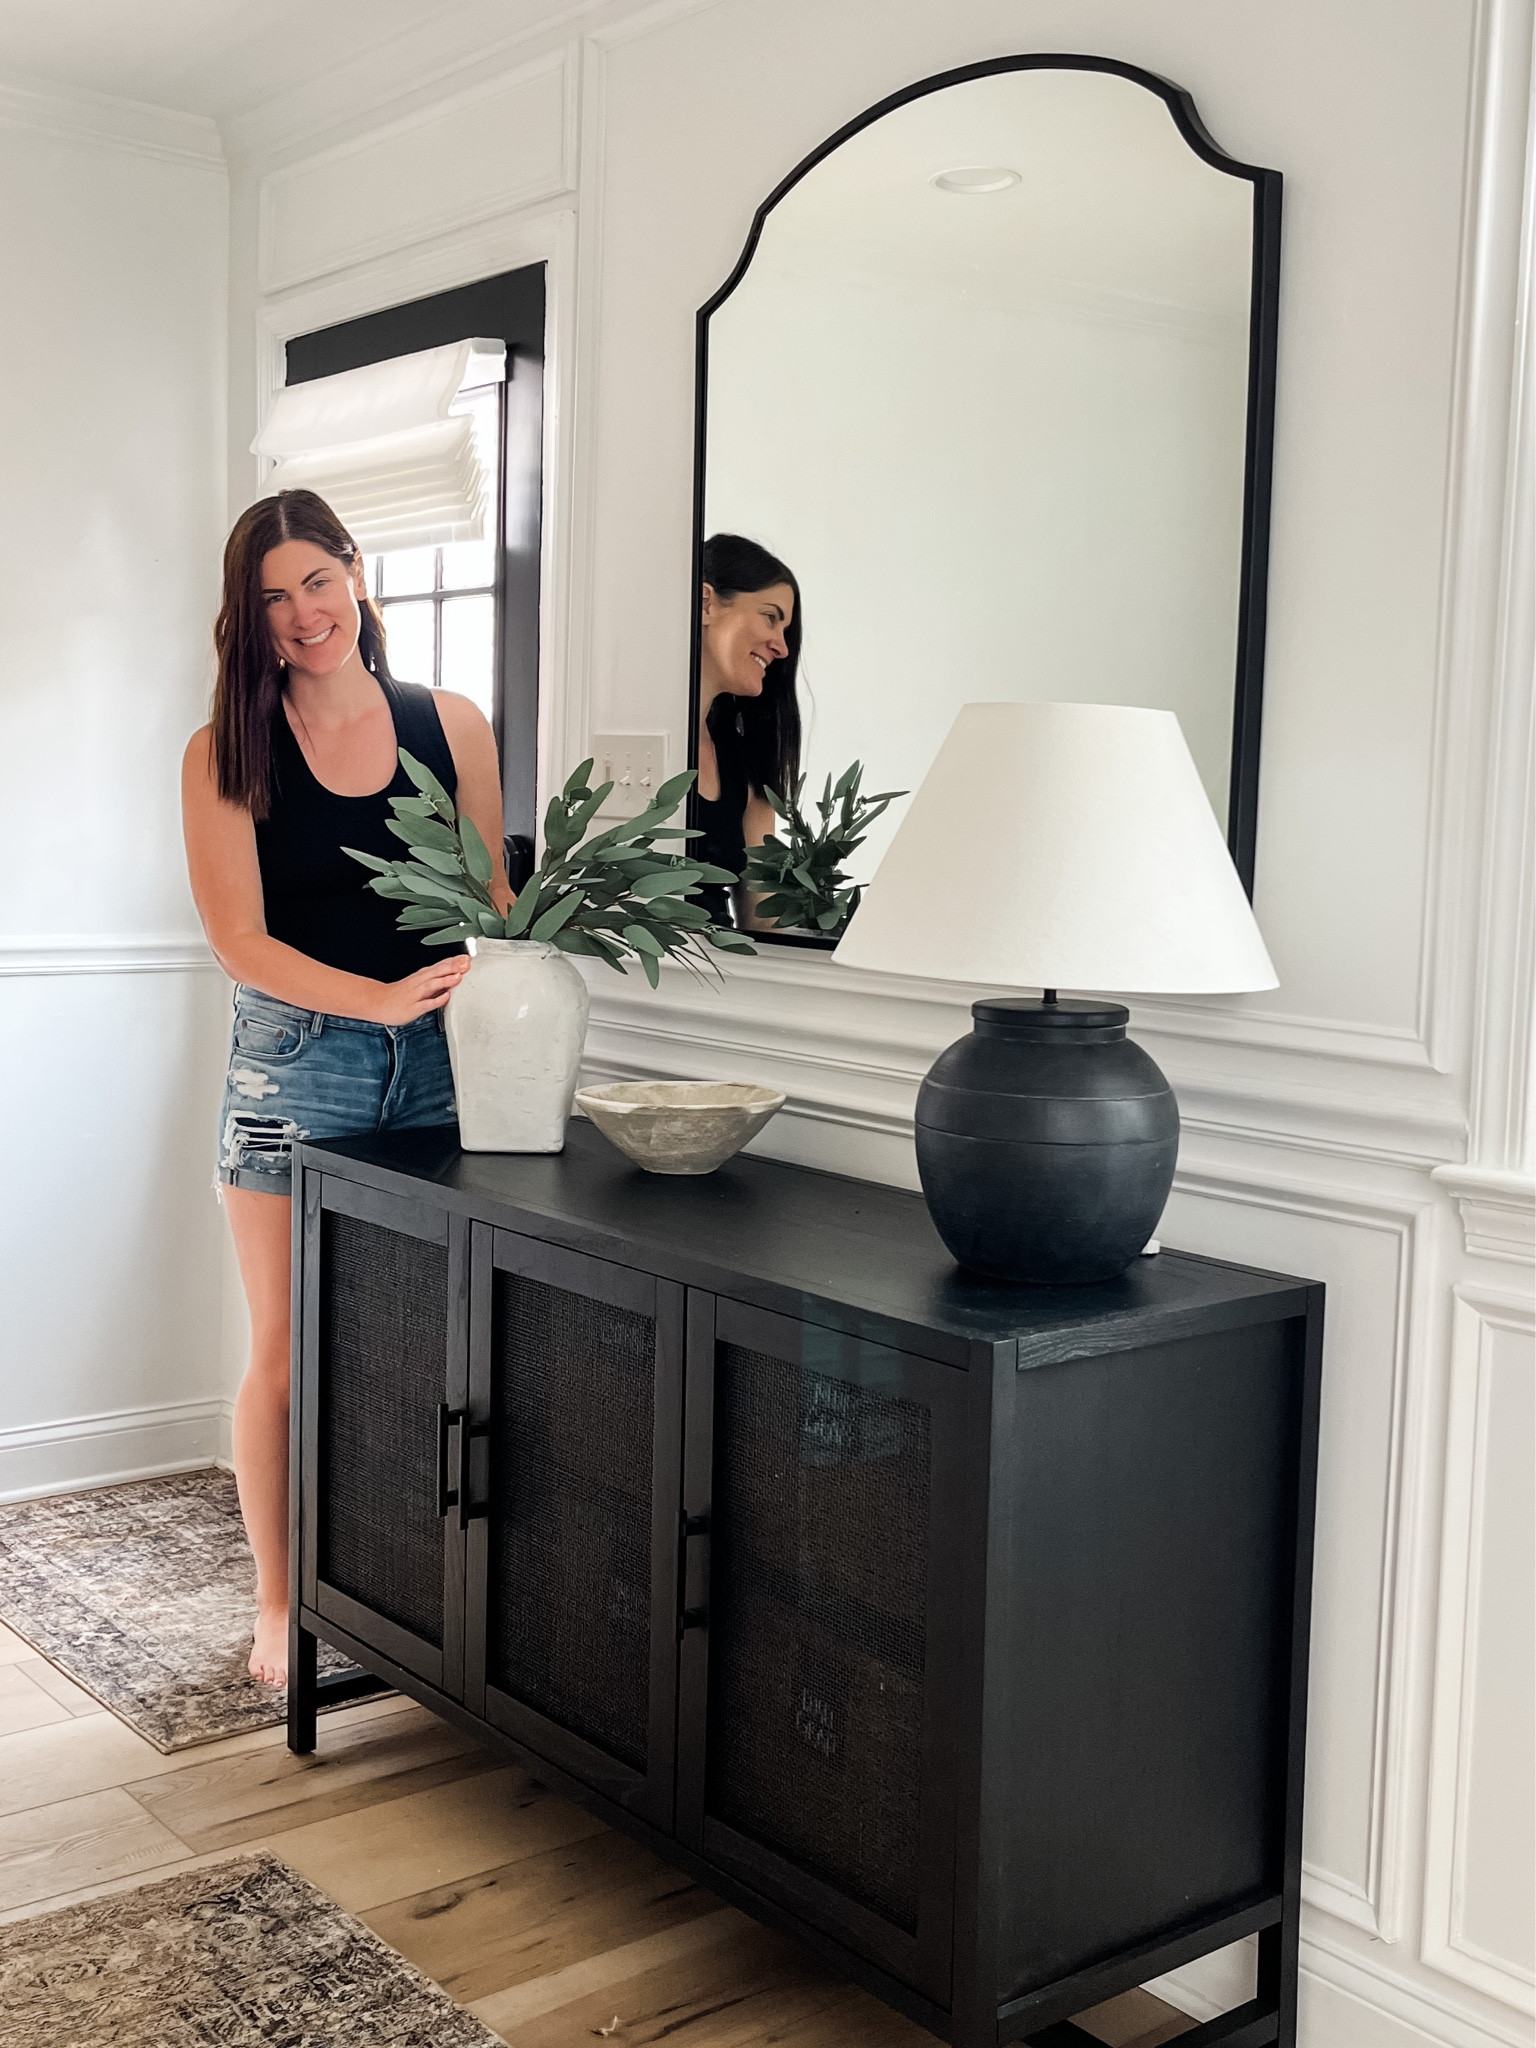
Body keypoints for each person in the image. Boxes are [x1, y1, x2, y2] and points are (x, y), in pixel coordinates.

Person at [181, 489, 511, 1687]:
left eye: (316, 579)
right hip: (291, 1064)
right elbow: (237, 937)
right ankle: (278, 1602)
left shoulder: (452, 721)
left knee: (423, 1341)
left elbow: (492, 903)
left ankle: (396, 1584)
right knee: (288, 1344)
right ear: (248, 619)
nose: (301, 613)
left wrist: (514, 971)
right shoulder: (227, 748)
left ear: (358, 574)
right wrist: (369, 1002)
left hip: (439, 1066)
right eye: (271, 597)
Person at [694, 534, 802, 927]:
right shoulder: (636, 751)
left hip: (724, 979)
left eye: (786, 629)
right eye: (770, 616)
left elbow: (766, 919)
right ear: (706, 603)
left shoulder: (744, 758)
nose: (782, 647)